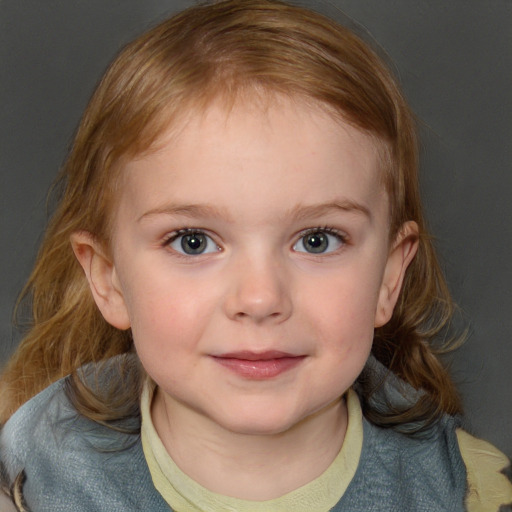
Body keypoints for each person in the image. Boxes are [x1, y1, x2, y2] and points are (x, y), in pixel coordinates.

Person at [0, 0, 510, 510]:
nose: (261, 298)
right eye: (193, 241)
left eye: (317, 240)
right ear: (108, 278)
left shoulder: (458, 487)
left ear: (389, 276)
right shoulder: (37, 471)